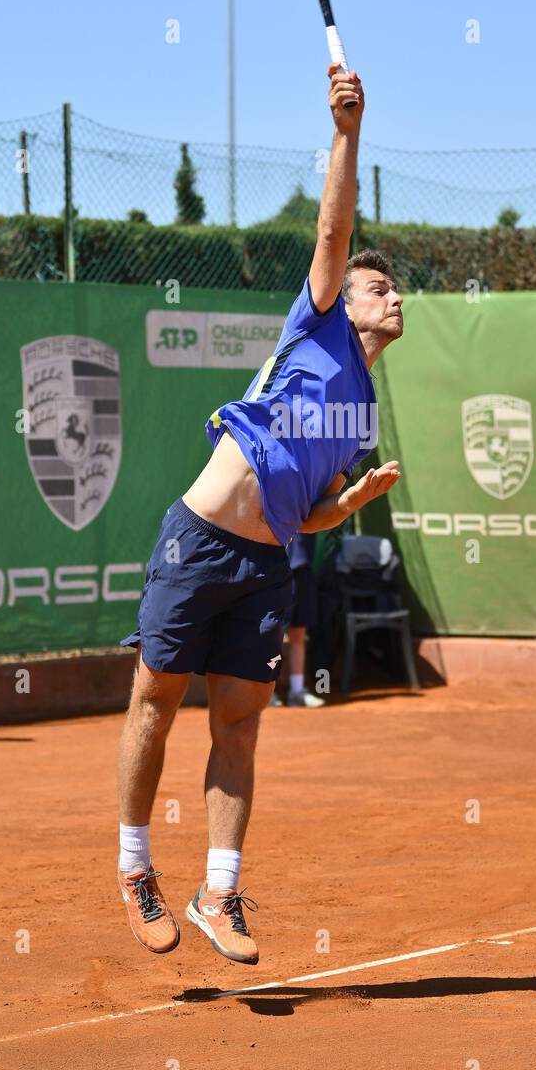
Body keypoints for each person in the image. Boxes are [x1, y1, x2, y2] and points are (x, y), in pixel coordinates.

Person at [115, 61, 405, 965]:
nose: (394, 298)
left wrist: (344, 504)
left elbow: (306, 515)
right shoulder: (315, 323)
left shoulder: (360, 419)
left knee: (238, 724)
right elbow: (333, 223)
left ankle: (221, 890)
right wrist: (348, 130)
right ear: (342, 301)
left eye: (397, 292)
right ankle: (133, 869)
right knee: (156, 701)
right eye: (380, 289)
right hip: (199, 540)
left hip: (265, 565)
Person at [269, 531, 324, 708]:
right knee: (272, 636)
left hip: (303, 573)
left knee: (298, 634)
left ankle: (297, 691)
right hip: (276, 573)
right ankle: (267, 691)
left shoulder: (310, 504)